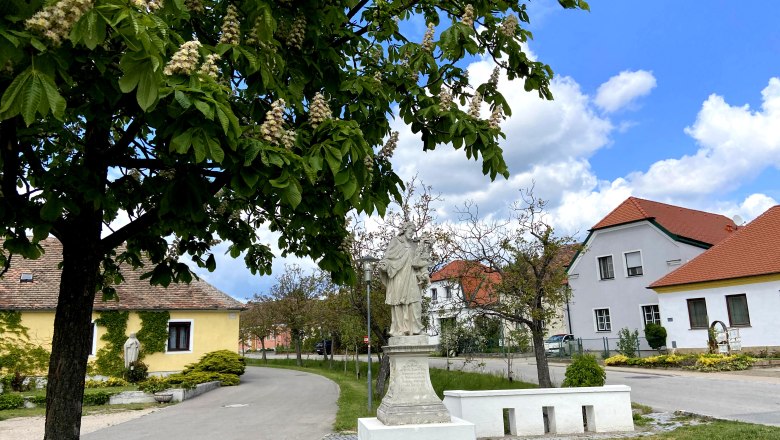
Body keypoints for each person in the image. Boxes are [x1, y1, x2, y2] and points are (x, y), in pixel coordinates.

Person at [378, 222, 431, 336]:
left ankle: (416, 329)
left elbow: (420, 260)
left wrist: (426, 247)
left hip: (412, 276)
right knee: (398, 303)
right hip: (398, 277)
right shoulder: (395, 241)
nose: (412, 233)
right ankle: (400, 329)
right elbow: (388, 258)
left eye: (414, 231)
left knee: (416, 301)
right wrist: (385, 265)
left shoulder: (414, 245)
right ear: (405, 229)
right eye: (411, 230)